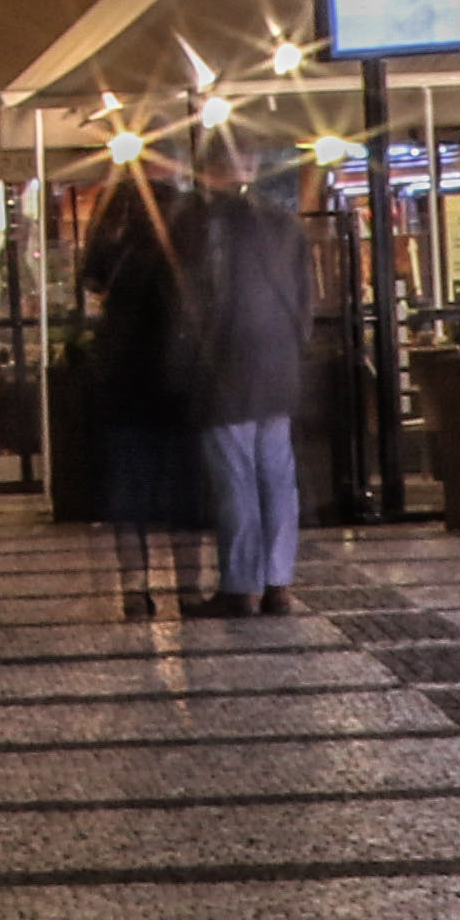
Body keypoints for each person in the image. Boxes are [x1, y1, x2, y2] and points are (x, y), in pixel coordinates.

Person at [185, 162, 311, 615]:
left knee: (235, 476)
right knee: (277, 476)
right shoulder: (284, 223)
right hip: (279, 367)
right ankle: (278, 584)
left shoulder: (206, 225)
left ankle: (241, 587)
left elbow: (200, 298)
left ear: (205, 171)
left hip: (227, 366)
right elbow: (304, 300)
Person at [77, 169, 193, 622]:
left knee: (129, 494)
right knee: (181, 492)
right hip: (175, 385)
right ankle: (188, 589)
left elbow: (91, 276)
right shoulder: (181, 250)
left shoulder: (120, 250)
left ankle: (135, 589)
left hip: (123, 386)